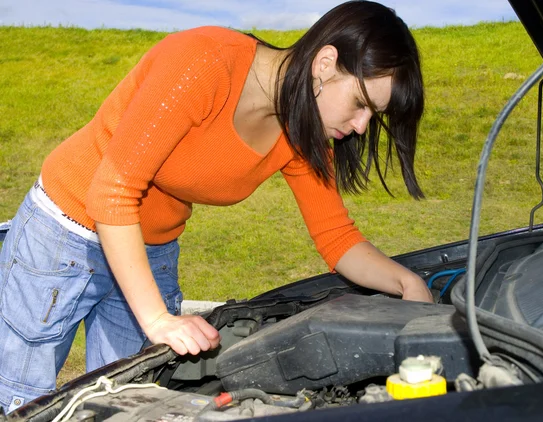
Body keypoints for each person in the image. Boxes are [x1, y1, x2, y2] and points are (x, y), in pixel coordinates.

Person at [0, 0, 433, 413]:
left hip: (148, 254)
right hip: (64, 237)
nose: (360, 126)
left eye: (371, 116)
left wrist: (406, 283)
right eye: (361, 104)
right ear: (325, 64)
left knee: (123, 404)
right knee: (21, 401)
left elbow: (336, 237)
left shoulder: (304, 131)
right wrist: (158, 320)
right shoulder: (206, 61)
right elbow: (112, 189)